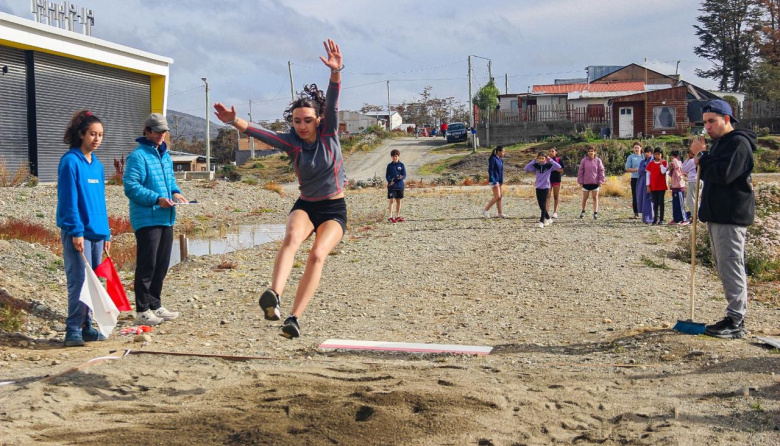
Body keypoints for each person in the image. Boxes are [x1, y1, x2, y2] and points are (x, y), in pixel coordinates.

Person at [213, 39, 347, 339]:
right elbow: (262, 132)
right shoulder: (292, 143)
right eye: (297, 121)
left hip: (334, 209)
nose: (302, 126)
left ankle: (294, 318)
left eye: (308, 120)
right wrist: (234, 120)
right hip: (307, 204)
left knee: (316, 256)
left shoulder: (328, 134)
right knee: (291, 238)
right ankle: (273, 294)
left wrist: (336, 73)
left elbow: (334, 99)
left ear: (318, 120)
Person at [689, 99, 756, 338]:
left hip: (731, 215)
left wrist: (703, 156)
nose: (707, 126)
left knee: (731, 264)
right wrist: (703, 158)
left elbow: (724, 174)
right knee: (723, 264)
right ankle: (734, 315)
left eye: (711, 121)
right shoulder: (721, 144)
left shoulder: (738, 143)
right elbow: (711, 172)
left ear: (726, 119)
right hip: (718, 214)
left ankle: (736, 320)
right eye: (705, 122)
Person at [123, 113, 186, 327]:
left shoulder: (164, 154)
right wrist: (156, 199)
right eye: (157, 131)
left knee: (162, 263)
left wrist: (176, 193)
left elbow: (170, 180)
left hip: (166, 216)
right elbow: (131, 187)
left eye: (164, 131)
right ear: (147, 131)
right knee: (147, 264)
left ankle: (155, 304)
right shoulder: (137, 156)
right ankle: (142, 310)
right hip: (147, 217)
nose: (161, 135)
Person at [57, 110, 111, 347]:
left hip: (98, 233)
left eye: (100, 135)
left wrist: (107, 232)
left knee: (95, 283)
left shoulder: (97, 165)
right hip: (78, 233)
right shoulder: (70, 161)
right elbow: (68, 201)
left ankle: (88, 326)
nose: (97, 139)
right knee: (79, 281)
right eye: (92, 134)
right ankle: (72, 330)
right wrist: (76, 231)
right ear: (81, 134)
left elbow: (100, 200)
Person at [525, 151, 562, 228]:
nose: (541, 160)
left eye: (543, 158)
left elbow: (558, 166)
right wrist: (534, 160)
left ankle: (541, 221)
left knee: (543, 204)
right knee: (540, 205)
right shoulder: (536, 166)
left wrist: (550, 159)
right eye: (540, 158)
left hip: (546, 186)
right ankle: (548, 218)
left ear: (545, 158)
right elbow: (527, 168)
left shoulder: (549, 165)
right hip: (538, 186)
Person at [576, 145, 605, 219]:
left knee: (595, 198)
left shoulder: (598, 161)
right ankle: (583, 211)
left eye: (592, 151)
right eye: (589, 151)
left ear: (595, 152)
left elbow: (601, 171)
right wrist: (580, 181)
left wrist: (601, 181)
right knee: (585, 198)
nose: (590, 152)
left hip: (595, 182)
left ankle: (595, 213)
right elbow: (580, 171)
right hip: (586, 182)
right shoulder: (584, 160)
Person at [645, 147, 668, 225]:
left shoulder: (664, 162)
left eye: (659, 154)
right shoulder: (651, 163)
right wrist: (648, 185)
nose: (657, 156)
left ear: (661, 155)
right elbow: (648, 174)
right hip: (654, 185)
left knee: (661, 202)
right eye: (656, 154)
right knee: (655, 202)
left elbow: (663, 172)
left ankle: (661, 219)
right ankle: (655, 218)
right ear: (654, 155)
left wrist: (661, 164)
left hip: (661, 185)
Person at [482, 145, 506, 218]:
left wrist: (501, 181)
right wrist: (494, 181)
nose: (504, 153)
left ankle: (500, 213)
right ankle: (485, 210)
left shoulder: (500, 160)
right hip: (494, 180)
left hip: (499, 180)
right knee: (497, 196)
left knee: (500, 197)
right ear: (499, 152)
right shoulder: (493, 159)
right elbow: (490, 171)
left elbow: (501, 171)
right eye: (503, 152)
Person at [667, 149, 689, 225]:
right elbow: (670, 174)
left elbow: (678, 166)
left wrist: (674, 160)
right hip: (674, 187)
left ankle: (685, 219)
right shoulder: (673, 165)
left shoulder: (679, 163)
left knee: (681, 204)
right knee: (675, 204)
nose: (672, 158)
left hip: (680, 187)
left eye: (673, 157)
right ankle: (676, 218)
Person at [386, 149, 406, 223]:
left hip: (400, 185)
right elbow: (387, 175)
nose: (395, 158)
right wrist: (389, 181)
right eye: (394, 156)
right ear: (391, 157)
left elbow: (404, 174)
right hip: (392, 186)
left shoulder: (402, 165)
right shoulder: (389, 166)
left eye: (396, 156)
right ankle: (390, 216)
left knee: (399, 201)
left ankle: (397, 216)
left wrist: (402, 177)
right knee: (391, 200)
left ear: (399, 156)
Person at [624, 142, 644, 218]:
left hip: (643, 178)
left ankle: (643, 211)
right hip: (635, 178)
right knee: (635, 195)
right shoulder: (631, 157)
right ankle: (636, 212)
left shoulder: (644, 156)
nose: (636, 149)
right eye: (635, 147)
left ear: (641, 148)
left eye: (638, 147)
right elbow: (627, 168)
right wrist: (636, 170)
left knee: (643, 195)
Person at [636, 146, 655, 224]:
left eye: (647, 152)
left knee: (649, 199)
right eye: (645, 153)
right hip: (642, 181)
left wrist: (644, 170)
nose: (646, 154)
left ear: (651, 152)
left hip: (650, 181)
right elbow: (640, 171)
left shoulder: (653, 161)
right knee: (642, 199)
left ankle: (651, 217)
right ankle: (645, 217)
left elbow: (649, 170)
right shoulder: (643, 161)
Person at [545, 147, 564, 219]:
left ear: (556, 152)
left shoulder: (559, 160)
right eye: (549, 151)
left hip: (556, 179)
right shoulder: (546, 160)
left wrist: (554, 168)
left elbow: (561, 170)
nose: (551, 152)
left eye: (552, 151)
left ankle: (555, 212)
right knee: (548, 196)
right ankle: (546, 211)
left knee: (556, 196)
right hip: (548, 179)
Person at [681, 150, 698, 221]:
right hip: (698, 180)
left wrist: (687, 160)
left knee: (690, 200)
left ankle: (695, 216)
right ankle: (698, 214)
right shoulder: (698, 159)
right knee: (696, 199)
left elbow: (683, 169)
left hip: (693, 180)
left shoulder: (692, 161)